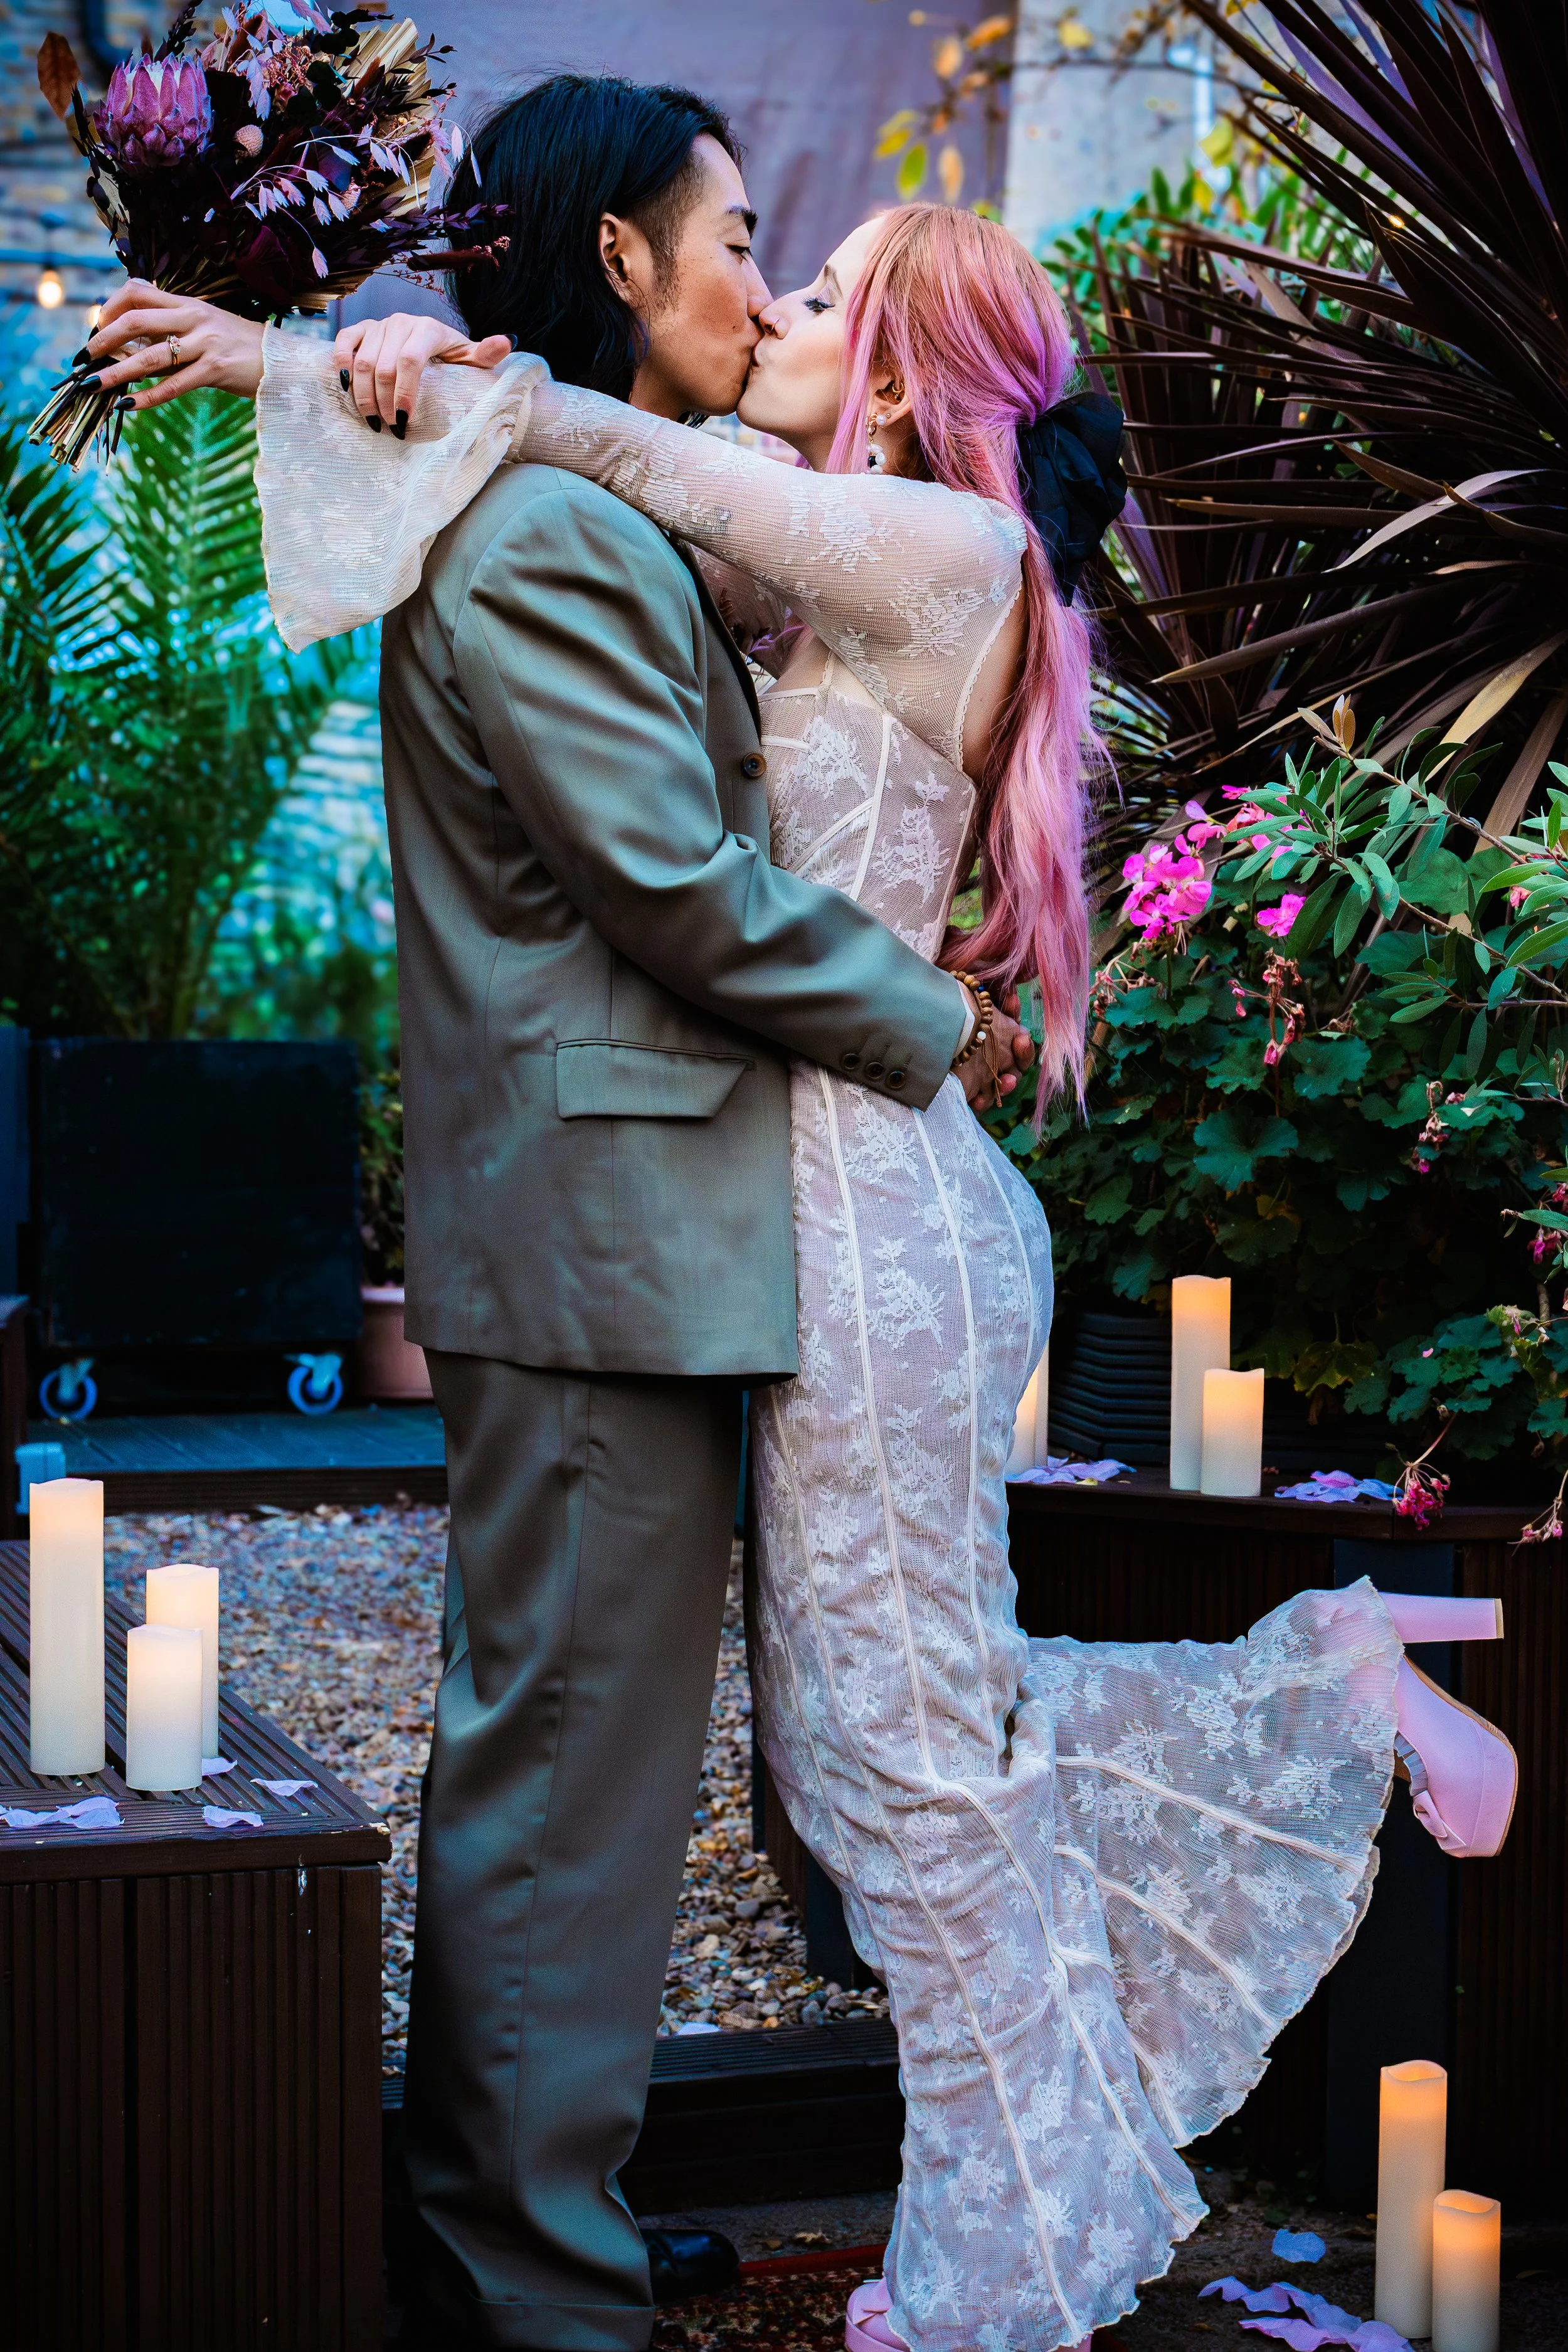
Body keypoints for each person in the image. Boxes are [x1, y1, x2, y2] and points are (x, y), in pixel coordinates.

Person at [88, 140, 1519, 2352]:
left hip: (870, 1215)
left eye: (825, 287)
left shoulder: (939, 547)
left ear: (924, 370)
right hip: (844, 1203)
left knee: (894, 1771)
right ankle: (1317, 1684)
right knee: (888, 1755)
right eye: (763, 258)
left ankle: (1002, 2257)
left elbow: (579, 429)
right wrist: (362, 355)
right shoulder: (827, 582)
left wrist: (284, 353)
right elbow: (587, 473)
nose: (775, 310)